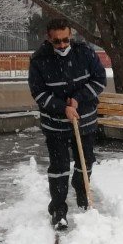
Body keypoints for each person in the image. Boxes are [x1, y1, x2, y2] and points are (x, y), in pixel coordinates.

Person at [28, 19, 107, 230]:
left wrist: (78, 99)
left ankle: (82, 192)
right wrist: (63, 107)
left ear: (70, 34)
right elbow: (39, 93)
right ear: (49, 38)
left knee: (86, 161)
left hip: (85, 121)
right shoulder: (39, 60)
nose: (62, 45)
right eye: (57, 42)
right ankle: (58, 209)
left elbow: (99, 80)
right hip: (56, 125)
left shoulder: (85, 53)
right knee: (60, 167)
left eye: (65, 40)